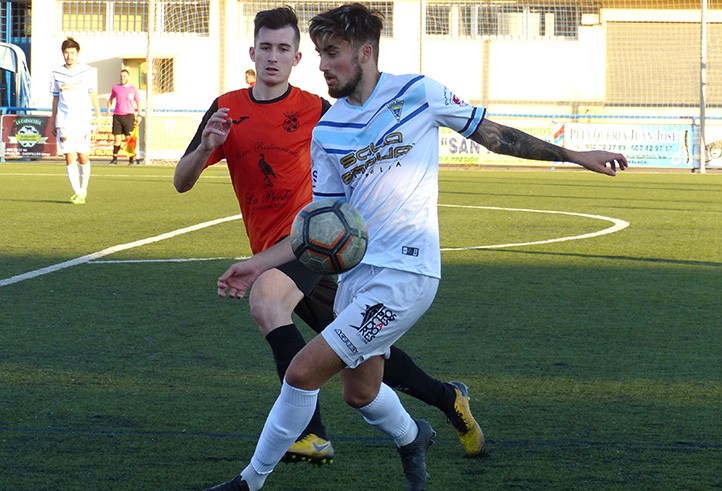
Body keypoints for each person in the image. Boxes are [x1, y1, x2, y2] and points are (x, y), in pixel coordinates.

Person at [210, 3, 629, 491]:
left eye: (332, 53)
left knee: (302, 372)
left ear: (364, 52)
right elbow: (316, 230)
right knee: (361, 392)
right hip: (357, 278)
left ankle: (249, 482)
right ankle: (415, 436)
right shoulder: (326, 133)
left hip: (407, 276)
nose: (321, 64)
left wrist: (574, 155)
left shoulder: (419, 93)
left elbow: (494, 135)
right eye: (320, 53)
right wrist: (256, 265)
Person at [174, 5, 483, 474]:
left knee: (267, 300)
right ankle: (447, 399)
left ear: (297, 58)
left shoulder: (319, 110)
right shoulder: (227, 108)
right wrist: (205, 147)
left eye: (284, 49)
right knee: (357, 355)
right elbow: (181, 180)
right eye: (265, 48)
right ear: (251, 52)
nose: (273, 57)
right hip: (305, 252)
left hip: (317, 245)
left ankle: (310, 431)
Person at [49, 37, 101, 205]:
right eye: (66, 53)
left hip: (83, 120)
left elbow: (93, 94)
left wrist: (98, 116)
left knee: (82, 155)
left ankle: (83, 189)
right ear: (62, 54)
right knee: (69, 156)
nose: (69, 56)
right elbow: (55, 99)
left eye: (72, 53)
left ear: (77, 53)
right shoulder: (56, 73)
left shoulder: (88, 72)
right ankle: (77, 192)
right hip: (64, 121)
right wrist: (53, 120)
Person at [107, 68, 141, 165]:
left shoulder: (133, 89)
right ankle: (114, 158)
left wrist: (139, 115)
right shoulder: (116, 88)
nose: (122, 78)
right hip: (117, 116)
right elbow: (110, 99)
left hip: (129, 116)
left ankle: (131, 159)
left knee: (128, 138)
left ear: (128, 77)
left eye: (124, 76)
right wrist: (109, 109)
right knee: (117, 138)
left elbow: (138, 102)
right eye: (121, 76)